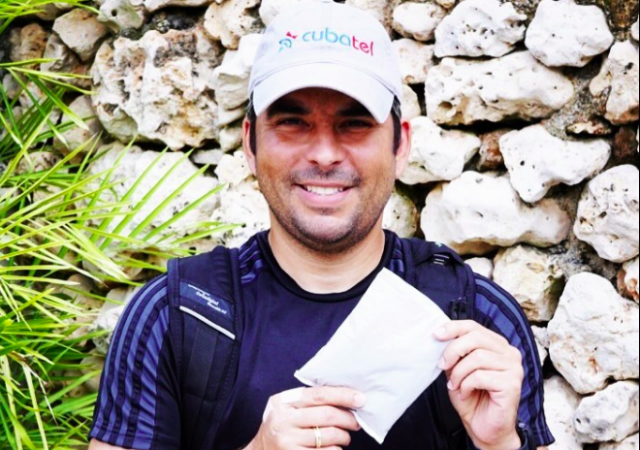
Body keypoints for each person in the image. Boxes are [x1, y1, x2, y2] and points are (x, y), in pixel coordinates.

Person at [88, 1, 555, 449]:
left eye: (355, 124)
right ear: (250, 144)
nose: (325, 155)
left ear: (400, 146)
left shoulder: (477, 320)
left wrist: (500, 444)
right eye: (293, 122)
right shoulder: (175, 315)